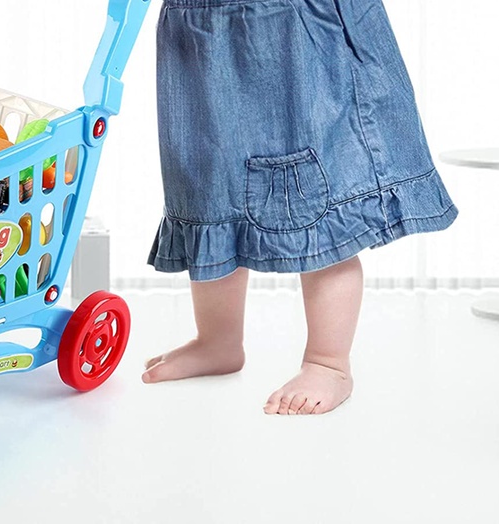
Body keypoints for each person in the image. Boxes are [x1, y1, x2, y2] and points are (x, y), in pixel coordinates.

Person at [143, 0, 457, 415]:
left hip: (296, 35)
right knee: (211, 193)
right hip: (200, 33)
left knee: (317, 204)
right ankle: (217, 341)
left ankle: (328, 362)